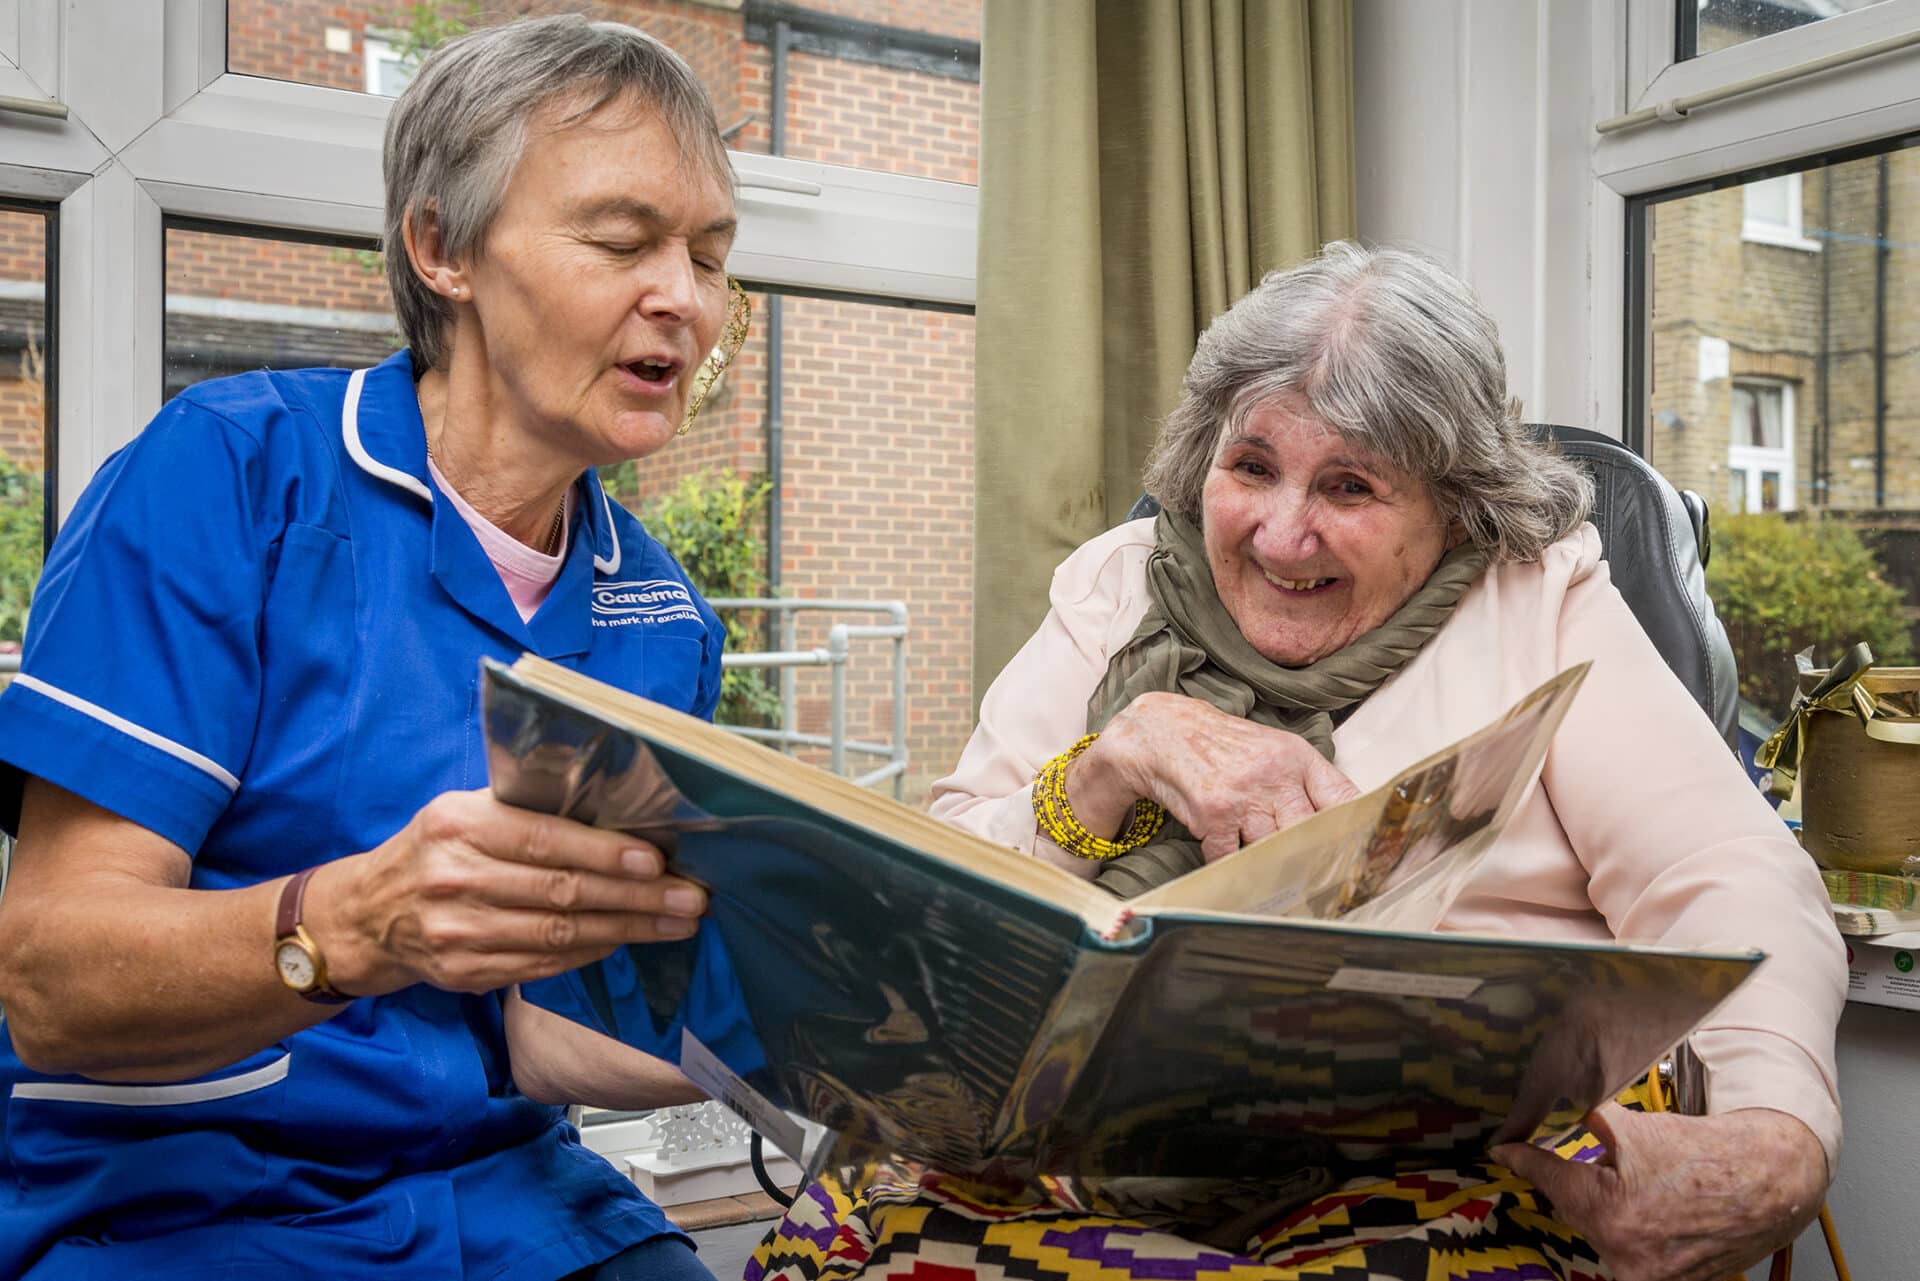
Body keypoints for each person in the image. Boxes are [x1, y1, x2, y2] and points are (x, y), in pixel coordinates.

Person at [751, 243, 1845, 1281]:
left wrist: (1777, 1133)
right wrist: (1108, 764)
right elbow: (930, 899)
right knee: (854, 1228)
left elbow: (1724, 871)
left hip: (1419, 1168)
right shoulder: (1121, 586)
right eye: (1254, 466)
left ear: (1454, 504)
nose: (1282, 534)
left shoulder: (1536, 596)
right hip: (1078, 1158)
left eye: (1351, 487)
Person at [0, 17, 755, 1280]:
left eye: (712, 256)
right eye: (624, 242)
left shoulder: (658, 613)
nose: (683, 295)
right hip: (175, 1207)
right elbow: (50, 976)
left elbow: (542, 1033)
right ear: (442, 247)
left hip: (501, 1196)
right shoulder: (233, 479)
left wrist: (845, 1051)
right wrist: (357, 924)